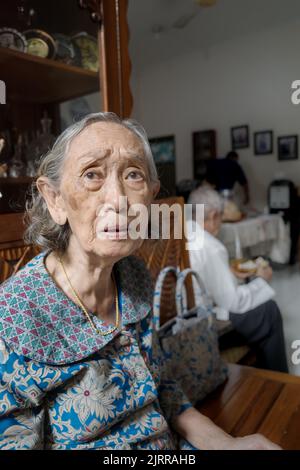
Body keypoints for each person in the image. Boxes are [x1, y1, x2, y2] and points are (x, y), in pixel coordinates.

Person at [0, 113, 279, 450]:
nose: (119, 200)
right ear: (55, 199)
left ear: (151, 197)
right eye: (92, 175)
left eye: (133, 175)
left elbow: (161, 386)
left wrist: (225, 443)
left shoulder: (133, 276)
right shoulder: (12, 318)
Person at [187, 185, 288, 373]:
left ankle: (260, 376)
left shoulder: (182, 232)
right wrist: (262, 280)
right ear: (214, 215)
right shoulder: (211, 246)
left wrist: (232, 275)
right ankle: (281, 383)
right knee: (269, 311)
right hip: (207, 328)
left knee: (252, 293)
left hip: (182, 324)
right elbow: (234, 303)